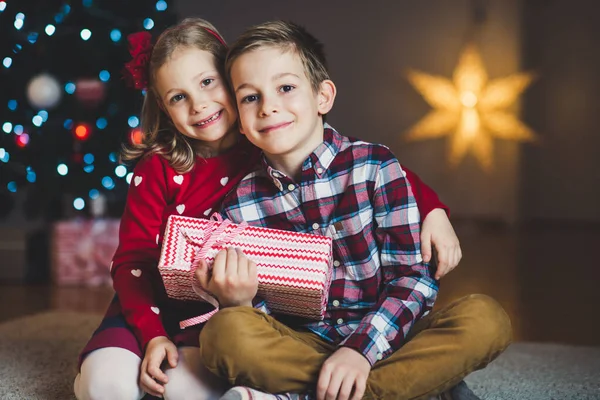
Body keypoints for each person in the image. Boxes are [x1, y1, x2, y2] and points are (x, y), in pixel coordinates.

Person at [73, 18, 461, 400]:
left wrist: (433, 209)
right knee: (105, 388)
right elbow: (133, 260)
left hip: (212, 313)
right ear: (163, 106)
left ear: (231, 81)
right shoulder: (159, 167)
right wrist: (152, 333)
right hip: (149, 306)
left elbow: (359, 163)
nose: (199, 104)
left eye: (208, 83)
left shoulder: (266, 140)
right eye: (178, 97)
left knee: (184, 390)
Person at [196, 20, 512, 400]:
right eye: (250, 97)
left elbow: (413, 278)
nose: (269, 107)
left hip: (389, 338)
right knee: (223, 334)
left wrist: (359, 351)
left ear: (323, 97)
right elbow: (263, 316)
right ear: (240, 120)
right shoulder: (239, 205)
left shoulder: (375, 167)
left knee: (485, 319)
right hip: (303, 346)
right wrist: (240, 301)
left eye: (286, 88)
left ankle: (312, 393)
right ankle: (402, 391)